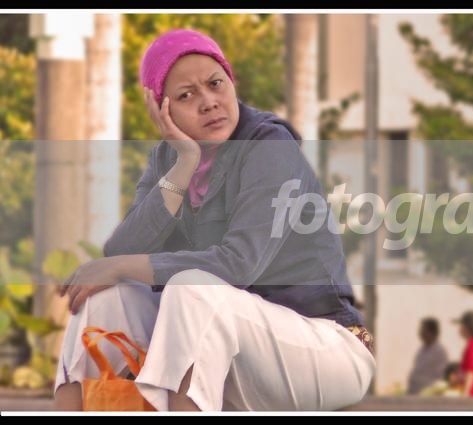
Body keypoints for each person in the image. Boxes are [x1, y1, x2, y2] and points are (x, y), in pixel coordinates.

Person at [52, 28, 374, 411]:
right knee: (106, 298)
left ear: (231, 83)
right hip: (225, 348)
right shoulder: (169, 159)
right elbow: (122, 249)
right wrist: (184, 164)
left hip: (322, 349)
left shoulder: (269, 147)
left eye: (215, 84)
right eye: (186, 96)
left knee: (191, 287)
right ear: (162, 109)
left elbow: (238, 265)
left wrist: (121, 266)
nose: (208, 102)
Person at [406, 317, 448, 395]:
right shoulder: (421, 350)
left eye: (423, 330)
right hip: (414, 392)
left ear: (431, 332)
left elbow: (440, 377)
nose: (420, 333)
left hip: (428, 395)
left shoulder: (439, 351)